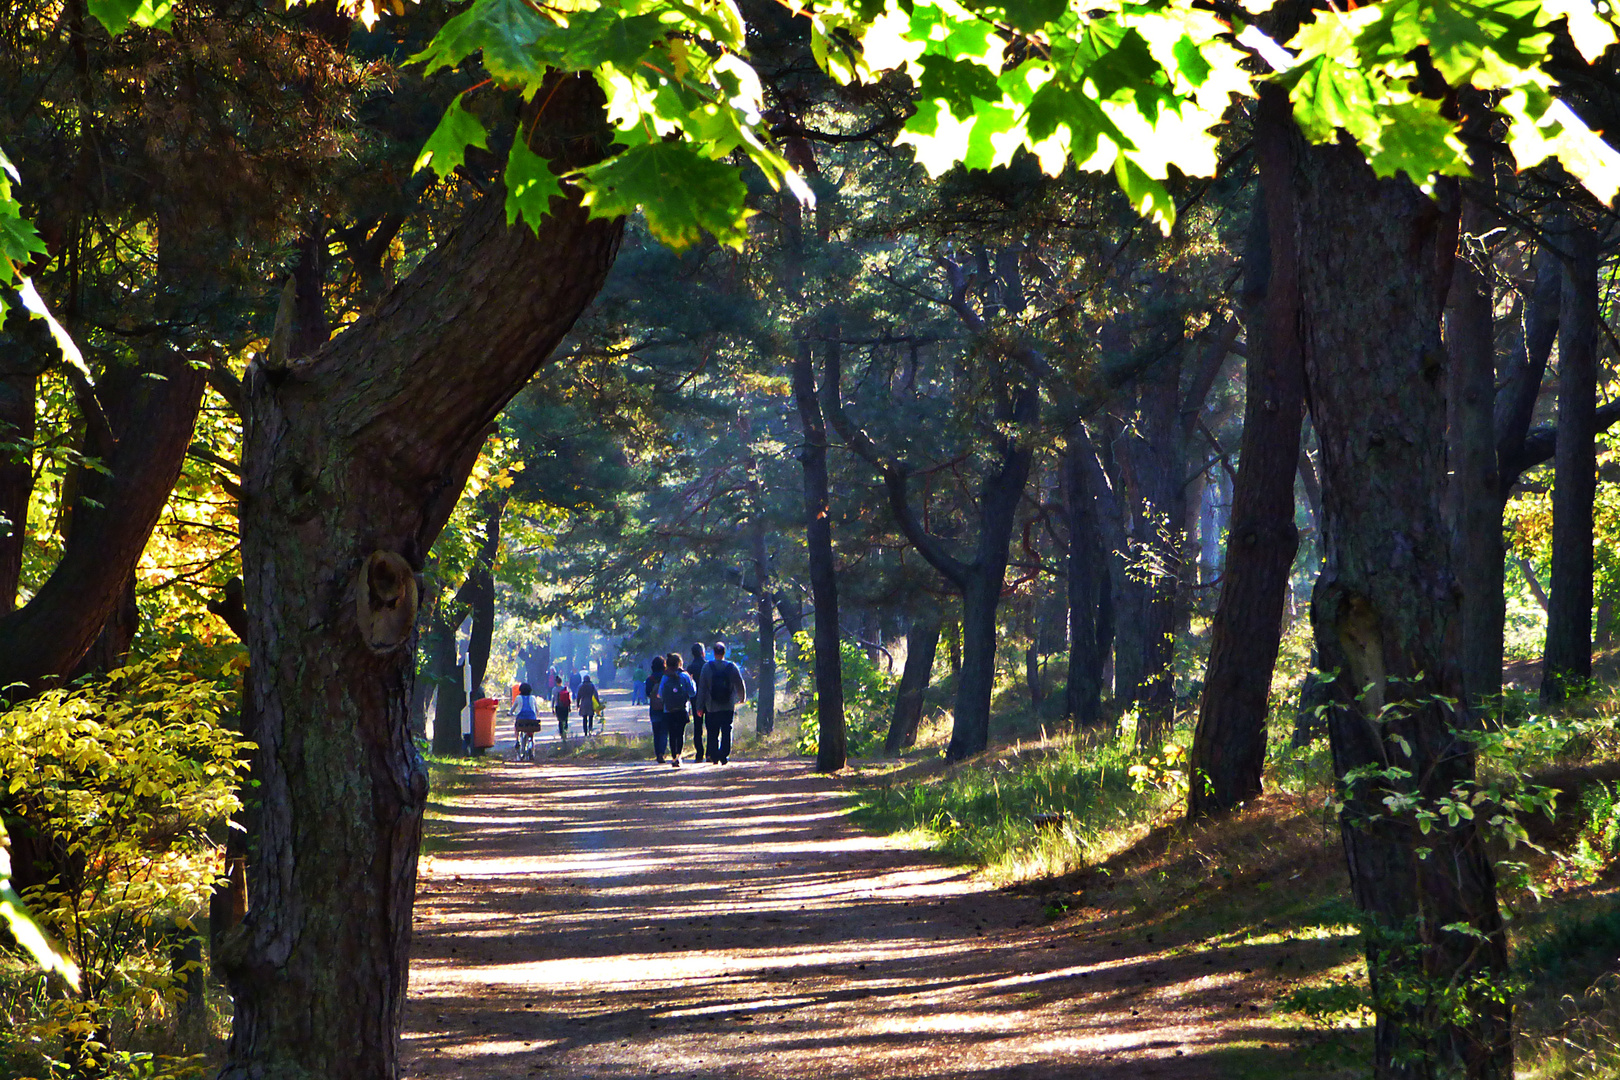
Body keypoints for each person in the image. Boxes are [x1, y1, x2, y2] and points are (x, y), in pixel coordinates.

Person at [697, 640, 747, 765]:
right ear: (724, 652)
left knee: (712, 731)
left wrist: (699, 706)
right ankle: (724, 754)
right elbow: (739, 683)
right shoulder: (731, 667)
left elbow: (702, 688)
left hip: (711, 706)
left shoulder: (707, 667)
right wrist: (742, 697)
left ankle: (714, 755)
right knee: (727, 729)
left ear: (714, 653)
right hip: (727, 705)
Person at [659, 652, 698, 769]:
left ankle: (673, 757)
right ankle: (679, 756)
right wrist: (692, 681)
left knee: (672, 734)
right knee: (680, 733)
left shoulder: (665, 677)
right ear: (680, 663)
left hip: (668, 710)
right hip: (682, 709)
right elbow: (693, 693)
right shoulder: (685, 676)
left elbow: (660, 694)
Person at [646, 656, 669, 763]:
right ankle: (662, 753)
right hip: (665, 707)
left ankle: (657, 753)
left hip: (654, 708)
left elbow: (647, 693)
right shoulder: (666, 677)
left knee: (656, 732)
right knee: (664, 732)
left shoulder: (650, 679)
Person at [510, 682, 541, 761]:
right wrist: (538, 714)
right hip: (532, 721)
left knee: (516, 726)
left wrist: (510, 713)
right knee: (531, 733)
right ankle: (531, 746)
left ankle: (517, 740)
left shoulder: (518, 698)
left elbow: (512, 709)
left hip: (521, 721)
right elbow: (537, 710)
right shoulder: (533, 698)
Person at [688, 642, 708, 762]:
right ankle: (711, 752)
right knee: (711, 726)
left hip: (695, 699)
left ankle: (699, 753)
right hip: (708, 699)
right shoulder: (708, 665)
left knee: (697, 726)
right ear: (702, 652)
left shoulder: (690, 668)